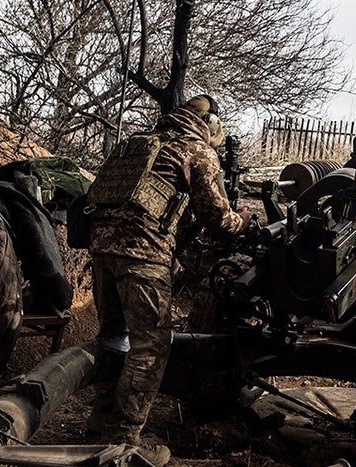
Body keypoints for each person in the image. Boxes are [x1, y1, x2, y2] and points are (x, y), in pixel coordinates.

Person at [86, 95, 250, 465]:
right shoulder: (197, 150)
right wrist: (242, 218)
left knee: (112, 336)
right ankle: (124, 439)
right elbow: (217, 220)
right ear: (209, 126)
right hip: (144, 254)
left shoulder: (138, 143)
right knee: (149, 346)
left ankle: (98, 422)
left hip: (101, 249)